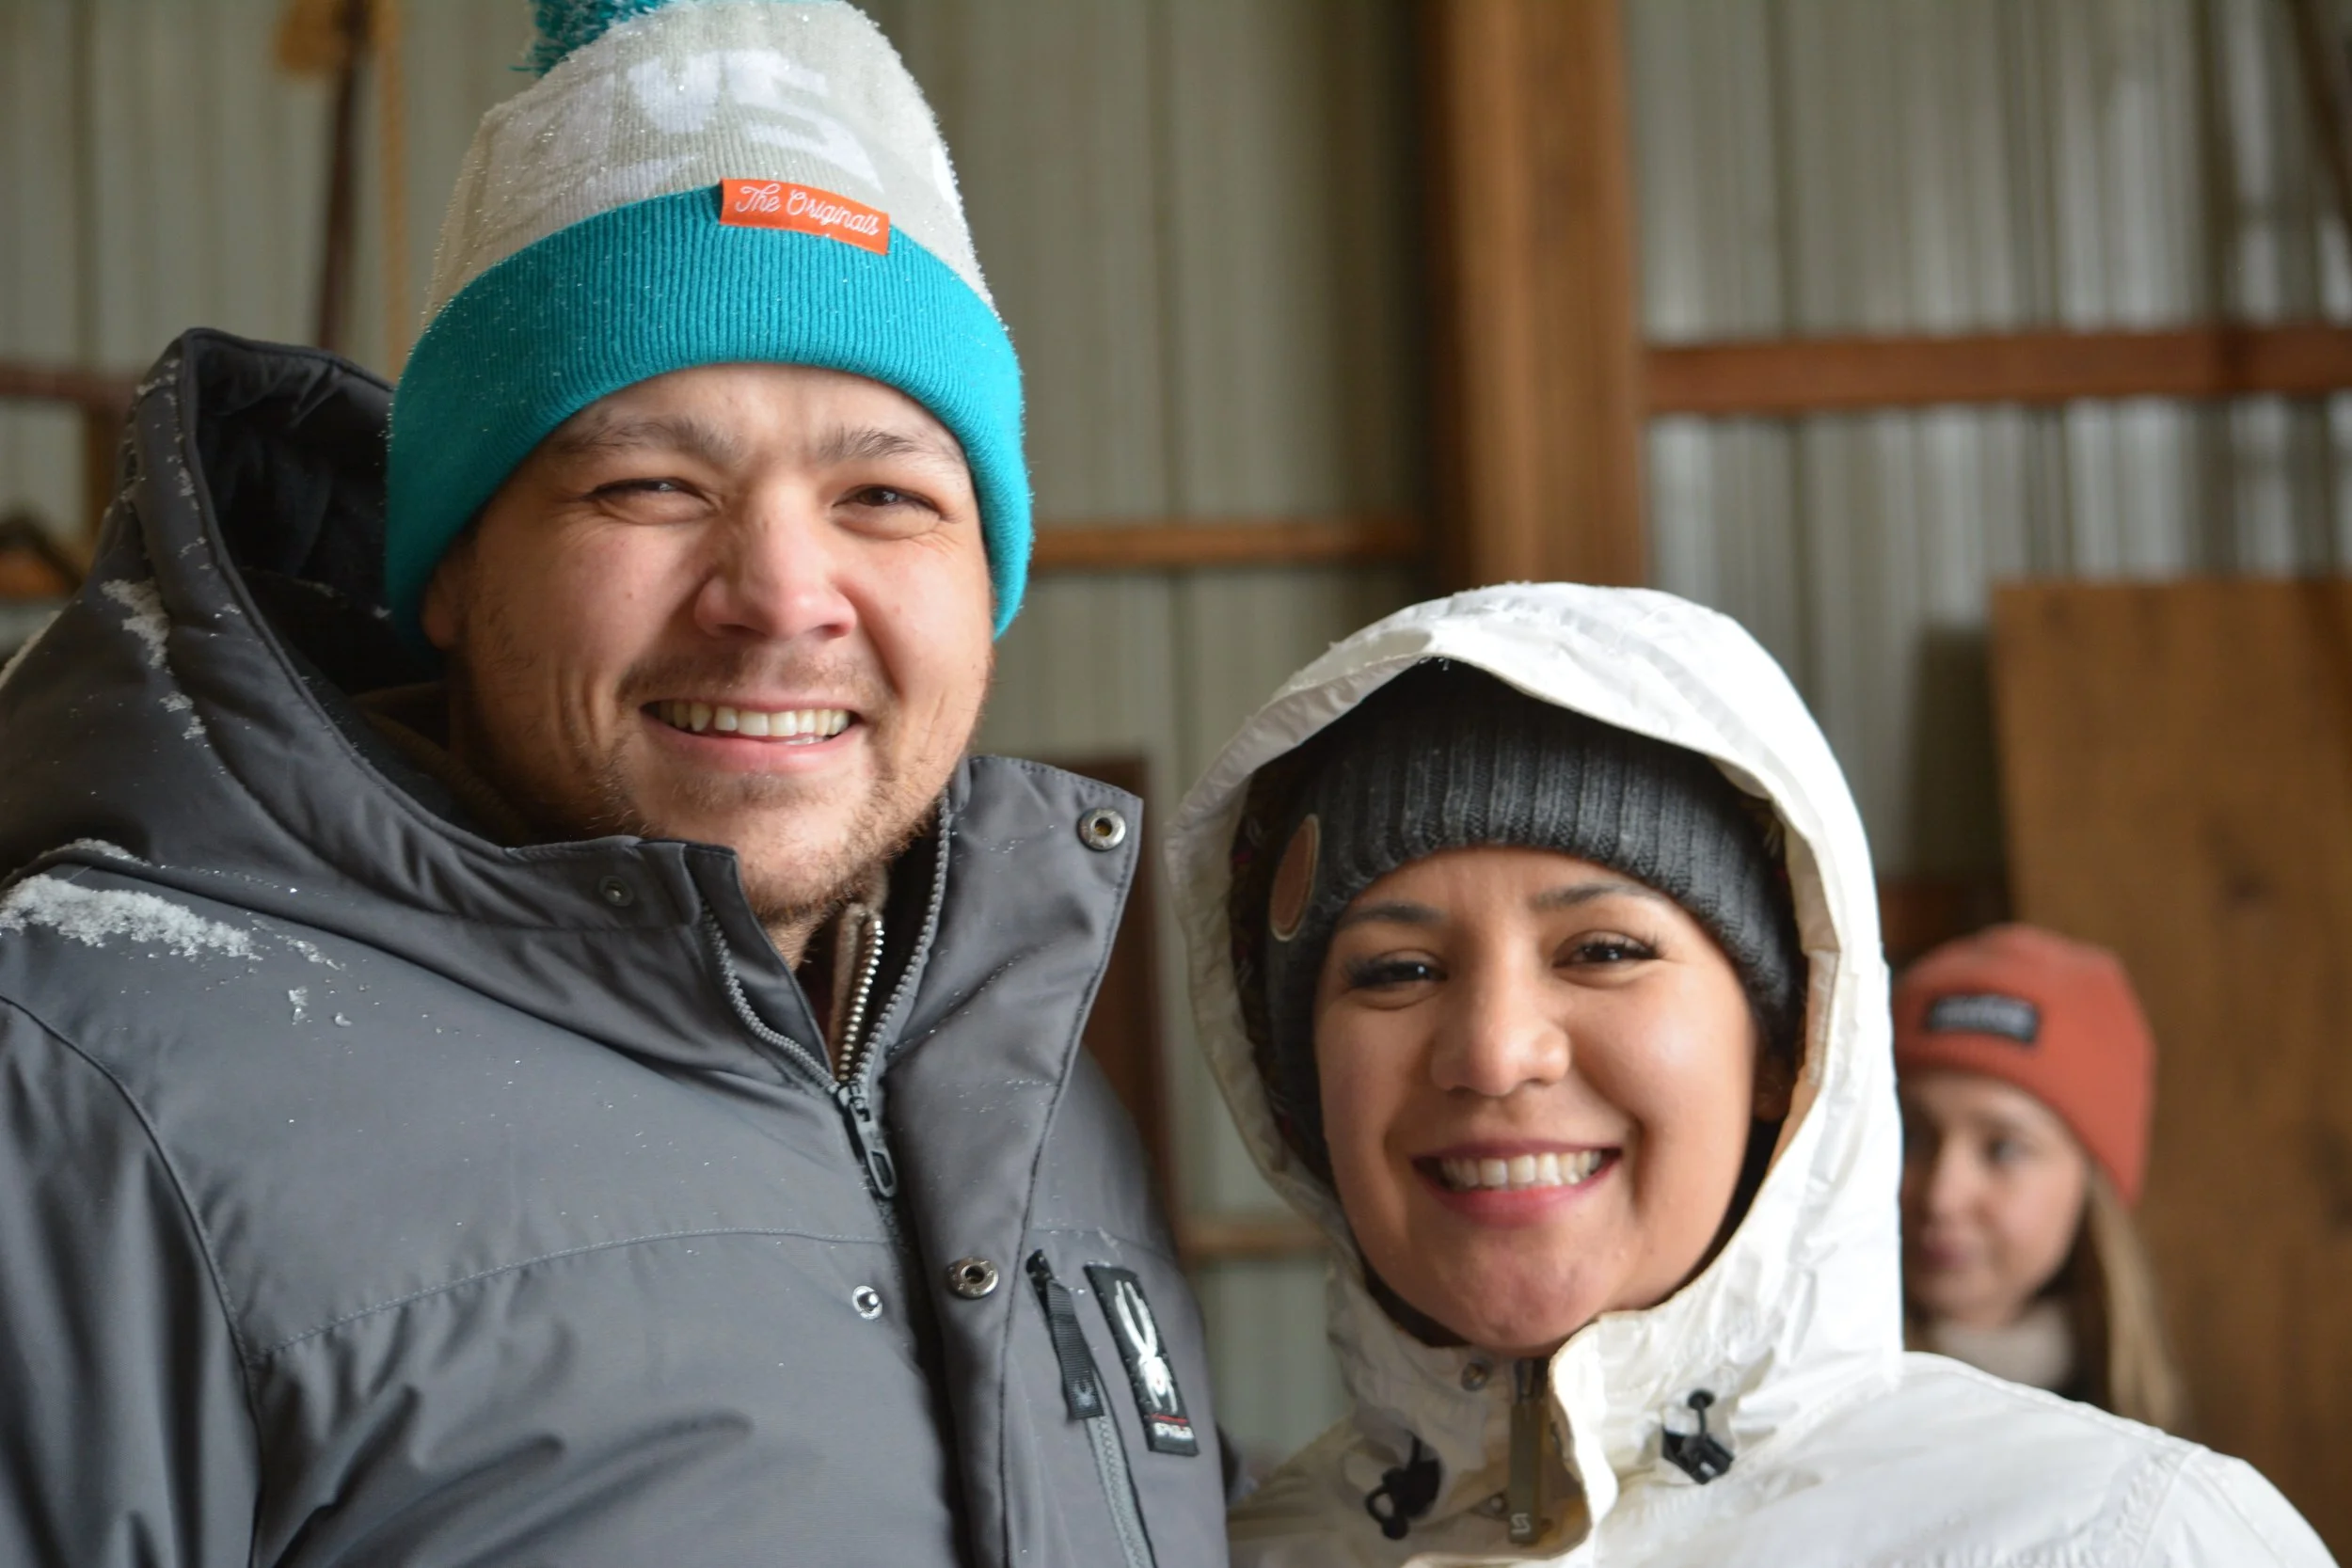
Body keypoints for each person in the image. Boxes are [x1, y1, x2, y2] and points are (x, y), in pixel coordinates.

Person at [0, 4, 1224, 1564]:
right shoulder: (87, 1094)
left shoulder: (1029, 1088)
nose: (782, 595)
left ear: (987, 574)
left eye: (884, 495)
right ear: (451, 567)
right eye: (651, 483)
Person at [1167, 583, 2332, 1565]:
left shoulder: (2125, 1538)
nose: (1493, 1049)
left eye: (1603, 950)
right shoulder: (1225, 1552)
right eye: (1398, 970)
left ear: (1786, 1042)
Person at [1895, 924, 2186, 1430]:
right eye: (1910, 1137)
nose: (1942, 1195)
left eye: (2003, 1149)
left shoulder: (2144, 1442)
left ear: (2090, 1186)